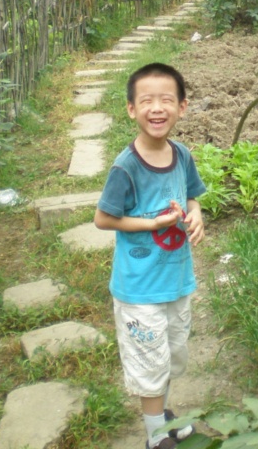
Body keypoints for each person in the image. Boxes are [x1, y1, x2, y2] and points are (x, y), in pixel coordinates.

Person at [94, 62, 206, 449]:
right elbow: (103, 219)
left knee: (173, 356)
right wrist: (152, 224)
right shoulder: (125, 167)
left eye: (166, 100)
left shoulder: (182, 155)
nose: (157, 108)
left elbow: (192, 194)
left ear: (182, 107)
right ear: (131, 109)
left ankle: (162, 414)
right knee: (149, 361)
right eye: (147, 101)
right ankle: (155, 433)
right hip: (139, 286)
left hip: (176, 280)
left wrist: (195, 214)